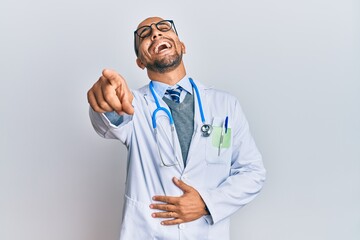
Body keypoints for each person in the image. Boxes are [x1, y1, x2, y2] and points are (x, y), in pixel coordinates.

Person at [87, 16, 266, 240]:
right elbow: (109, 121)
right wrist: (106, 99)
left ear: (182, 46)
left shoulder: (225, 105)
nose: (155, 34)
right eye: (144, 34)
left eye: (163, 28)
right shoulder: (134, 103)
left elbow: (253, 172)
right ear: (140, 62)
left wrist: (206, 203)